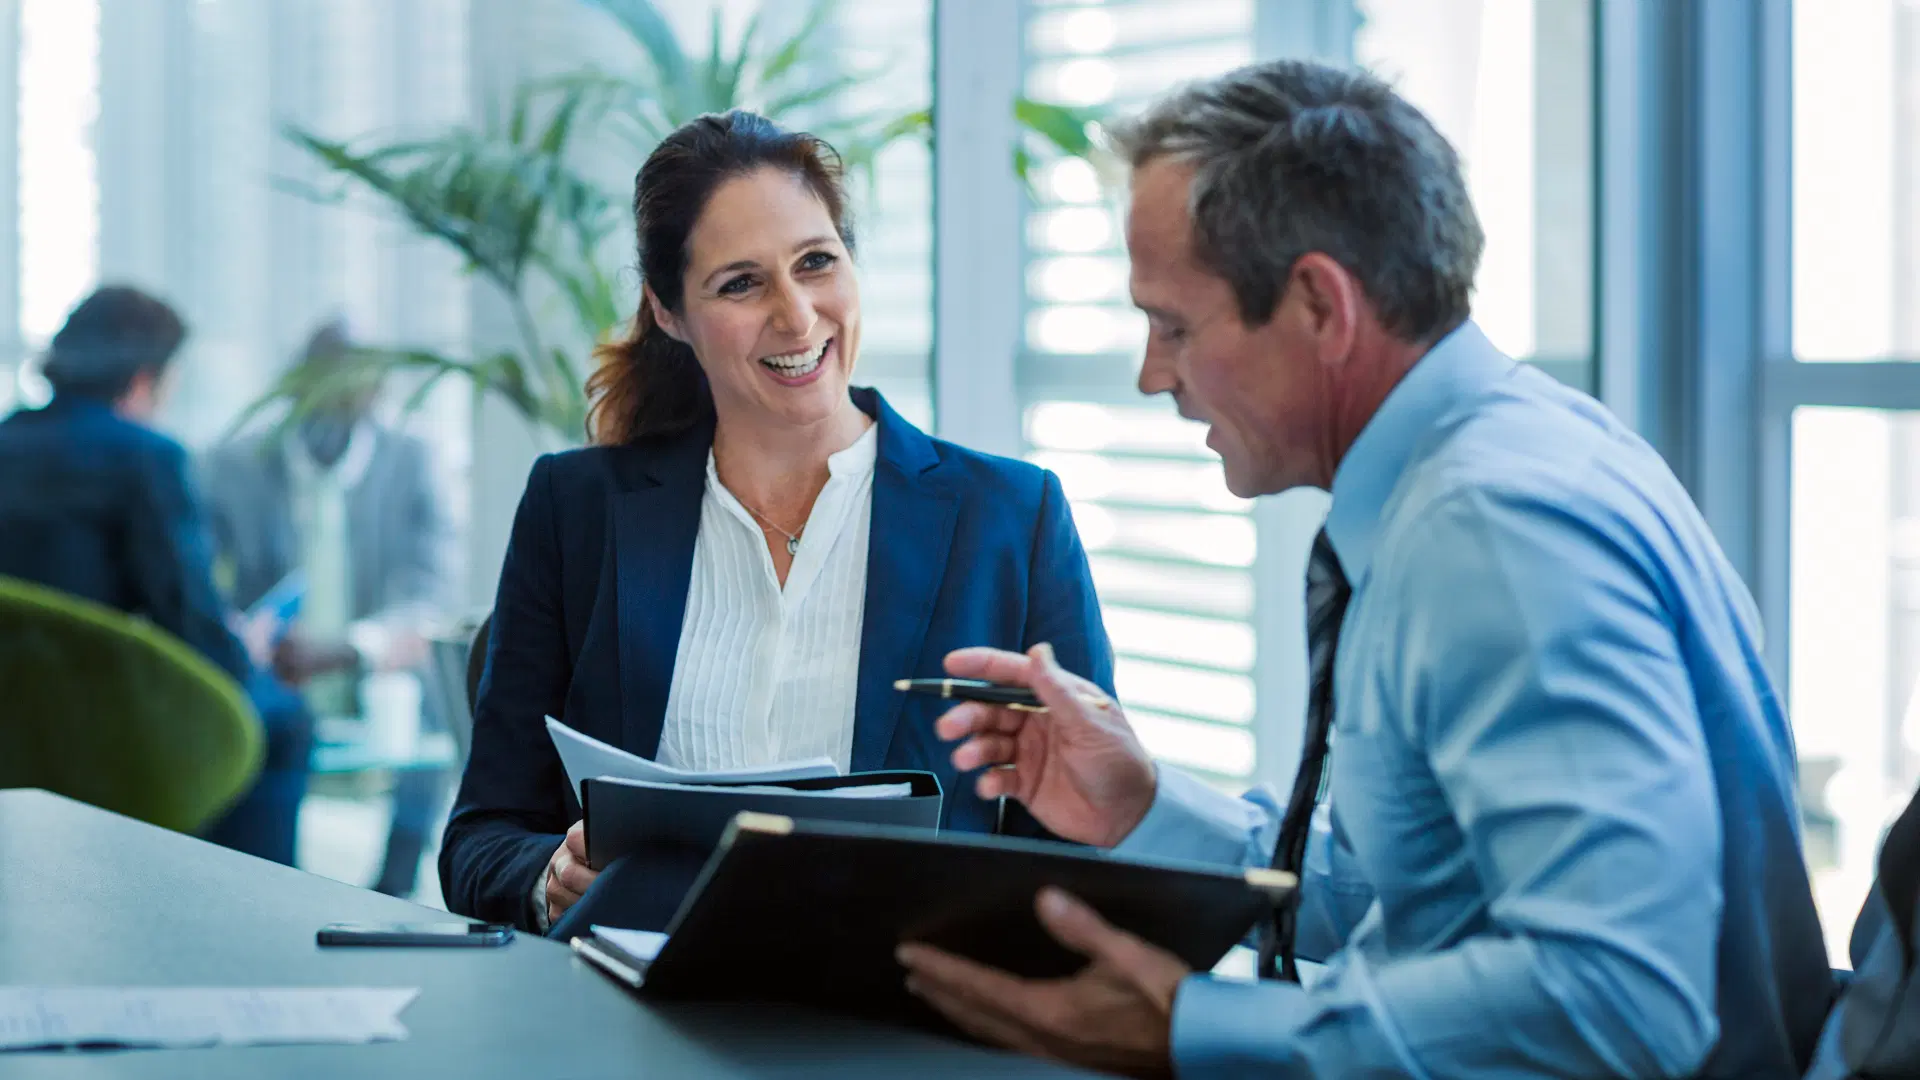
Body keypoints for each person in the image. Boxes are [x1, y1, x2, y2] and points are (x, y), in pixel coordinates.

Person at [895, 60, 1833, 1079]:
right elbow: (1418, 899)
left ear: (1318, 306)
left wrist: (1189, 1031)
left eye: (1174, 326)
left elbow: (1623, 996)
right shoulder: (1493, 465)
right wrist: (1145, 805)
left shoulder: (1492, 533)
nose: (1152, 374)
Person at [439, 111, 1114, 932]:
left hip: (892, 1027)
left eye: (816, 262)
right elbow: (479, 840)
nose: (796, 318)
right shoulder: (575, 510)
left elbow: (1082, 850)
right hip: (632, 1024)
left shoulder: (1011, 517)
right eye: (741, 283)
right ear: (669, 311)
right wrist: (548, 876)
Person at [0, 285, 314, 864]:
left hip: (14, 738)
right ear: (145, 379)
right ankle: (252, 912)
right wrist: (242, 646)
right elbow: (195, 632)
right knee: (285, 719)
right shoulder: (147, 457)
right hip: (107, 731)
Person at [201, 318, 454, 897]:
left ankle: (395, 883)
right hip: (271, 669)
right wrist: (244, 633)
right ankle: (257, 878)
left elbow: (430, 593)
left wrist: (352, 649)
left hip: (375, 670)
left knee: (441, 692)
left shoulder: (411, 462)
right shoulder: (232, 464)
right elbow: (200, 587)